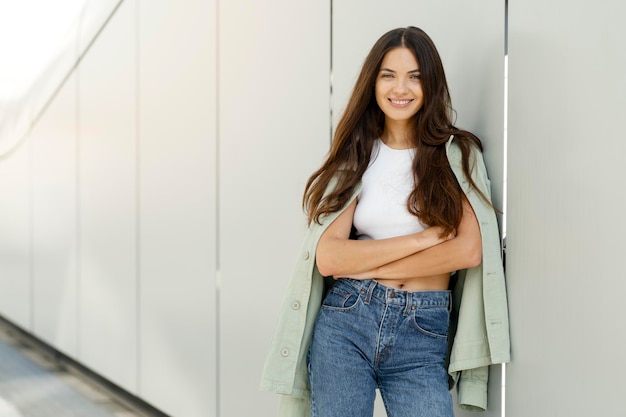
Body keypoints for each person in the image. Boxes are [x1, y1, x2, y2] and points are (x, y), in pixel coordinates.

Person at [261, 26, 510, 417]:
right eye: (388, 75)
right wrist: (423, 240)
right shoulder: (356, 156)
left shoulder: (458, 155)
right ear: (373, 83)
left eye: (415, 76)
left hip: (422, 331)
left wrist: (364, 261)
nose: (401, 88)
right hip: (348, 323)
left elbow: (468, 250)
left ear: (431, 84)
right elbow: (329, 259)